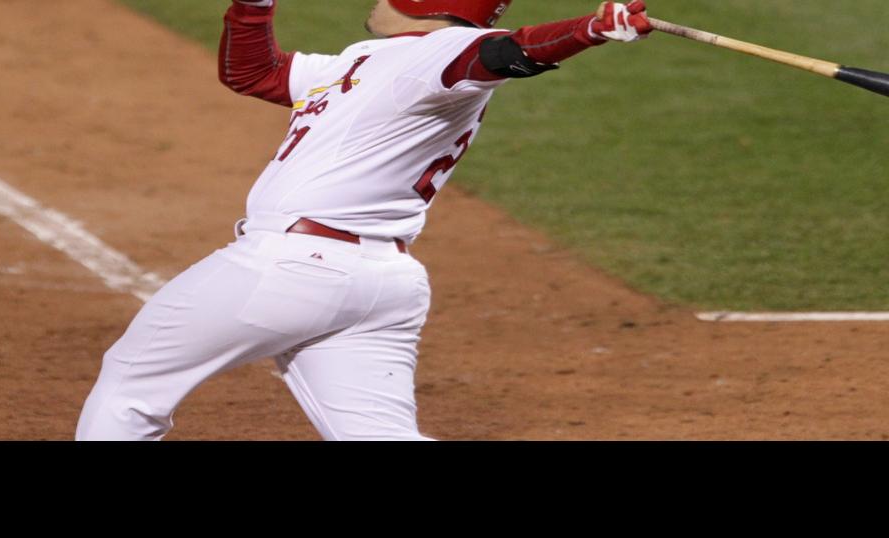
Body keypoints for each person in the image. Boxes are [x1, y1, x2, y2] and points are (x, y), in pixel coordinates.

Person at [76, 0, 653, 441]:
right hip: (380, 285)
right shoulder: (369, 58)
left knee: (131, 386)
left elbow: (507, 53)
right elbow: (254, 74)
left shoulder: (440, 53)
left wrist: (590, 29)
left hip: (287, 269)